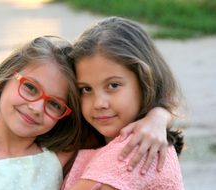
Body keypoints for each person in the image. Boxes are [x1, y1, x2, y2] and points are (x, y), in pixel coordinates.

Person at [0, 35, 172, 189]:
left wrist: (158, 116)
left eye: (54, 104)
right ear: (6, 77)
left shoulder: (61, 154)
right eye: (30, 87)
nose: (36, 108)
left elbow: (115, 127)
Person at [62, 17, 184, 190]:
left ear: (145, 81)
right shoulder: (96, 141)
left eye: (113, 85)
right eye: (86, 89)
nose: (99, 103)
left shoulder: (136, 149)